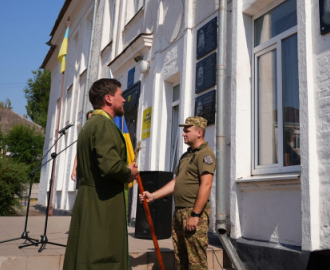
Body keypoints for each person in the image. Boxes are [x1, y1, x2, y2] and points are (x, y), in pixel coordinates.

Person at [63, 79, 139, 270]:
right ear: (108, 98)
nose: (123, 100)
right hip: (102, 203)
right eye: (120, 95)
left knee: (86, 253)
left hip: (91, 199)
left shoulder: (90, 124)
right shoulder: (104, 125)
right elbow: (111, 167)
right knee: (102, 256)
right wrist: (128, 172)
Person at [140, 116, 216, 270]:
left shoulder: (205, 155)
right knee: (182, 259)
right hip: (180, 211)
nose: (183, 134)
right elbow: (176, 182)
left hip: (193, 213)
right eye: (183, 131)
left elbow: (206, 186)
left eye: (187, 131)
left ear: (199, 133)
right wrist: (153, 196)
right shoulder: (186, 156)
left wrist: (195, 215)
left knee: (196, 262)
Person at [70, 110, 94, 182]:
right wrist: (74, 169)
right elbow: (79, 152)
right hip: (83, 169)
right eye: (89, 119)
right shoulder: (84, 133)